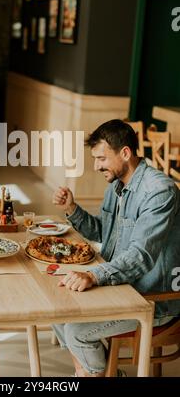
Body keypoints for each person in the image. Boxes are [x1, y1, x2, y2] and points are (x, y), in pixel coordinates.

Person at [52, 119, 180, 377]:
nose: (97, 166)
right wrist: (72, 209)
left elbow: (141, 257)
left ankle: (95, 374)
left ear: (125, 153)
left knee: (77, 332)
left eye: (101, 158)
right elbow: (104, 232)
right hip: (120, 287)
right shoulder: (117, 186)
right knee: (56, 310)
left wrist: (93, 275)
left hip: (152, 299)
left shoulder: (159, 191)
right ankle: (93, 374)